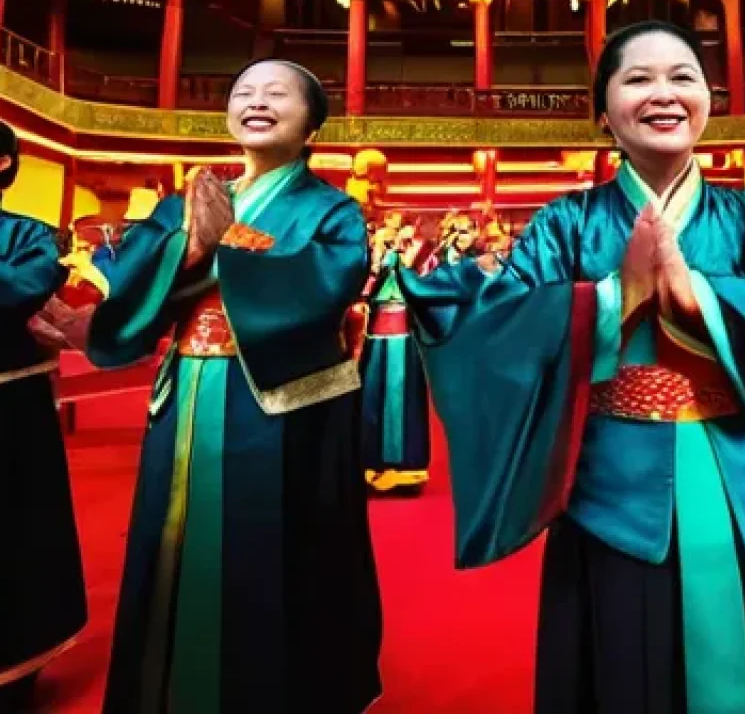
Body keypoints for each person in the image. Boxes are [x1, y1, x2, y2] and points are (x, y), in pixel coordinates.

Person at [398, 20, 745, 713]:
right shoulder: (566, 224)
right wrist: (613, 297)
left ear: (708, 100)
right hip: (611, 497)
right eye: (638, 79)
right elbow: (494, 327)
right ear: (602, 112)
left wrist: (699, 296)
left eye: (683, 77)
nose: (663, 94)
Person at [87, 60, 382, 714]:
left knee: (270, 550)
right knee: (174, 537)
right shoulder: (185, 200)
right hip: (187, 386)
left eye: (278, 94)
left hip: (277, 402)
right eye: (242, 92)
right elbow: (136, 272)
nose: (256, 102)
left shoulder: (332, 210)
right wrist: (180, 251)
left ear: (313, 124)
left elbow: (329, 281)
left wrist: (230, 242)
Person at [0, 120, 87, 713]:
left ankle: (15, 670)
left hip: (10, 409)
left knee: (15, 533)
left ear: (3, 166)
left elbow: (17, 291)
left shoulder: (30, 237)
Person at [361, 215, 432, 493]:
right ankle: (371, 464)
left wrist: (407, 261)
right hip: (376, 335)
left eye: (404, 239)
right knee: (371, 399)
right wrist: (377, 261)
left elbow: (425, 288)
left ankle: (406, 469)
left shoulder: (422, 260)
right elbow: (362, 290)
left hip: (404, 334)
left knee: (402, 398)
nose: (398, 244)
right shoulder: (375, 258)